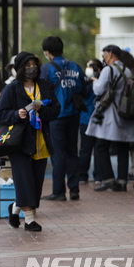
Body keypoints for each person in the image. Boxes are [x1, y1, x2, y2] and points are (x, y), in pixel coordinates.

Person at [0, 51, 60, 232]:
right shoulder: (12, 88)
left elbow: (56, 110)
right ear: (20, 69)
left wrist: (42, 111)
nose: (32, 68)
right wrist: (17, 114)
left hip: (40, 142)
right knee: (24, 181)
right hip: (20, 144)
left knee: (36, 182)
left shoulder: (45, 85)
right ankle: (30, 220)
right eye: (28, 65)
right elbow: (0, 114)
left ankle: (15, 209)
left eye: (34, 64)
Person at [87, 45, 134, 192]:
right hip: (125, 112)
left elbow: (98, 89)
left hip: (110, 113)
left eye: (104, 54)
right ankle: (122, 181)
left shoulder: (108, 70)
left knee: (101, 146)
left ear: (110, 54)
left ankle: (108, 179)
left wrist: (95, 81)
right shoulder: (128, 71)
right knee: (122, 147)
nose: (103, 57)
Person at [39, 36, 84, 202]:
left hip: (56, 116)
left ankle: (58, 191)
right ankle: (74, 190)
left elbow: (42, 91)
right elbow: (81, 87)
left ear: (48, 52)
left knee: (57, 154)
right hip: (74, 115)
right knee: (73, 152)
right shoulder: (75, 66)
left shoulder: (47, 68)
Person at [78, 59, 103, 184]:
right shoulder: (84, 82)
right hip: (86, 119)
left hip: (99, 119)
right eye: (88, 65)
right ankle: (82, 175)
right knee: (85, 149)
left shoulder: (102, 81)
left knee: (98, 149)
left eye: (91, 66)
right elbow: (82, 93)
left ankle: (98, 176)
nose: (89, 68)